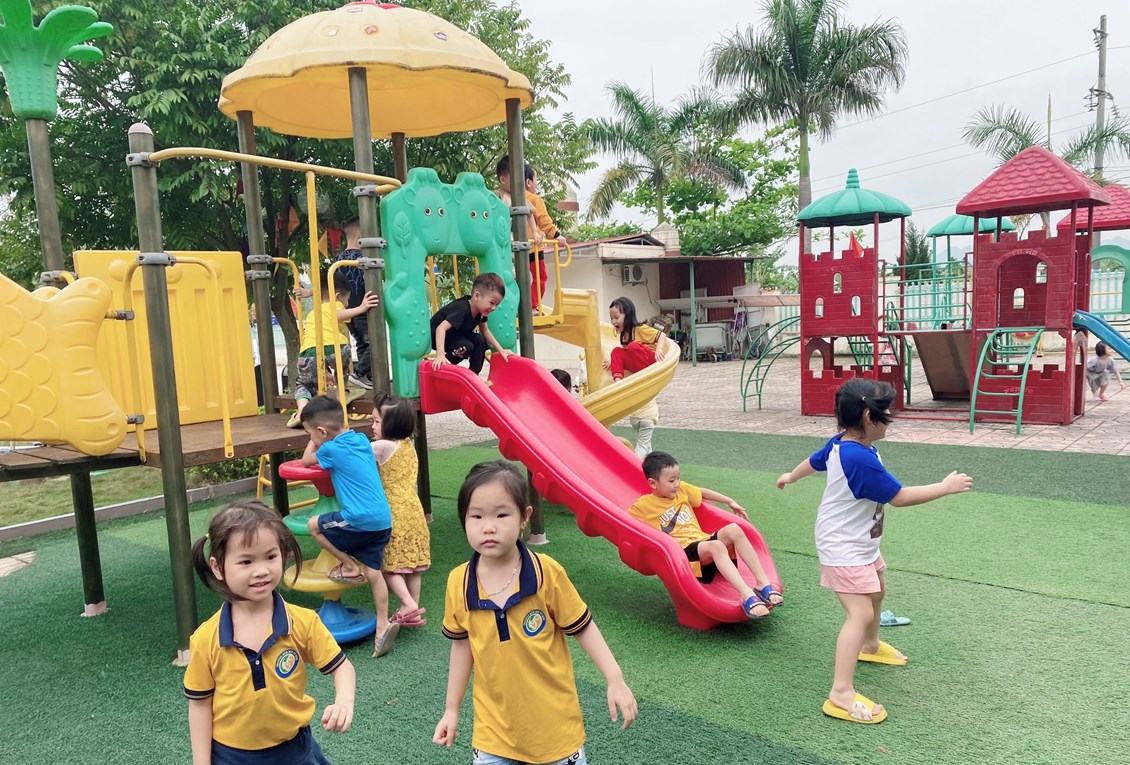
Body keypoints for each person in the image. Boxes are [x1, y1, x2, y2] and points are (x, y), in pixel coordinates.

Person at [776, 378, 973, 725]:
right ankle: (840, 693)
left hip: (859, 541)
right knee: (860, 613)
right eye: (887, 413)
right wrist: (944, 487)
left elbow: (815, 461)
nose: (891, 419)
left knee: (878, 588)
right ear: (869, 417)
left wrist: (792, 475)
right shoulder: (857, 457)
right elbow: (900, 497)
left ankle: (869, 646)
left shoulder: (846, 443)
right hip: (842, 546)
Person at [433, 460, 637, 764]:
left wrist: (615, 678)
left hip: (555, 734)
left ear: (524, 517)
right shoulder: (458, 582)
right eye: (476, 516)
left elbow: (583, 627)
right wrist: (451, 709)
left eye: (501, 515)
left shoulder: (546, 573)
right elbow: (462, 645)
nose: (488, 527)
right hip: (493, 734)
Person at [184, 501, 356, 764]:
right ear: (218, 567)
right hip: (231, 757)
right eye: (246, 561)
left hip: (294, 751)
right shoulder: (206, 639)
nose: (261, 570)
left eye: (270, 557)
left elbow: (342, 667)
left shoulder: (303, 622)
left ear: (283, 555)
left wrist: (344, 701)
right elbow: (199, 704)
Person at [299, 395, 399, 658]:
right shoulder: (362, 440)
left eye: (310, 432)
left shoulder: (330, 449)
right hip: (382, 520)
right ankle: (382, 625)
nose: (311, 437)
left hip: (358, 519)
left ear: (322, 432)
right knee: (375, 573)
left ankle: (350, 566)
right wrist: (315, 431)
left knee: (313, 525)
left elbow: (307, 460)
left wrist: (313, 440)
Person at [628, 451, 782, 621]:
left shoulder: (681, 491)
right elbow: (626, 521)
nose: (677, 484)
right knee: (716, 546)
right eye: (671, 481)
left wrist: (728, 501)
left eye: (678, 478)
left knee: (734, 529)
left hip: (703, 546)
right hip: (683, 557)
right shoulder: (643, 506)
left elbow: (701, 492)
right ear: (653, 483)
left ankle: (762, 583)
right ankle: (747, 595)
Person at [288, 270, 379, 428]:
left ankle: (302, 409)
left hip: (309, 352)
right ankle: (341, 394)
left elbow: (319, 349)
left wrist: (324, 372)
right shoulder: (334, 305)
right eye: (347, 300)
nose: (347, 304)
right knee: (341, 370)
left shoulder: (313, 313)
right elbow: (339, 315)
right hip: (337, 347)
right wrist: (361, 308)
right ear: (337, 297)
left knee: (304, 384)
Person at [371, 391, 431, 629]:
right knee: (412, 566)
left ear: (392, 425)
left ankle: (407, 604)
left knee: (387, 565)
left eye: (376, 421)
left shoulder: (381, 446)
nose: (372, 426)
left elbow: (353, 455)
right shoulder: (408, 445)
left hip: (394, 512)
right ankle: (413, 610)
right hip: (414, 510)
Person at [496, 157, 565, 313]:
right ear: (528, 182)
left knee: (519, 277)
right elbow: (544, 219)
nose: (537, 184)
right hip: (528, 247)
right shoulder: (527, 197)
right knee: (536, 278)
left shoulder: (519, 197)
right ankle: (530, 306)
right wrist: (556, 235)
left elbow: (530, 215)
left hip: (515, 245)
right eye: (536, 180)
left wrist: (535, 232)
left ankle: (519, 306)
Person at [430, 272, 513, 375]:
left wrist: (501, 350)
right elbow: (440, 328)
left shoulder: (481, 311)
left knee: (479, 340)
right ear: (477, 296)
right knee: (467, 346)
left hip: (455, 335)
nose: (494, 308)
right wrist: (440, 355)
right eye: (491, 303)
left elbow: (485, 332)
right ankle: (443, 367)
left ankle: (473, 375)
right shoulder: (462, 309)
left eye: (497, 304)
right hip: (437, 336)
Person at [605, 297, 664, 382]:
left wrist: (659, 349)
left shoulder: (640, 329)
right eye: (611, 318)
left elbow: (662, 335)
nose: (613, 321)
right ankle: (618, 382)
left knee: (632, 346)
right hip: (637, 365)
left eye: (616, 317)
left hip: (650, 363)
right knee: (616, 351)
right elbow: (625, 353)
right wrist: (614, 361)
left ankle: (645, 374)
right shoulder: (624, 334)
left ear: (628, 316)